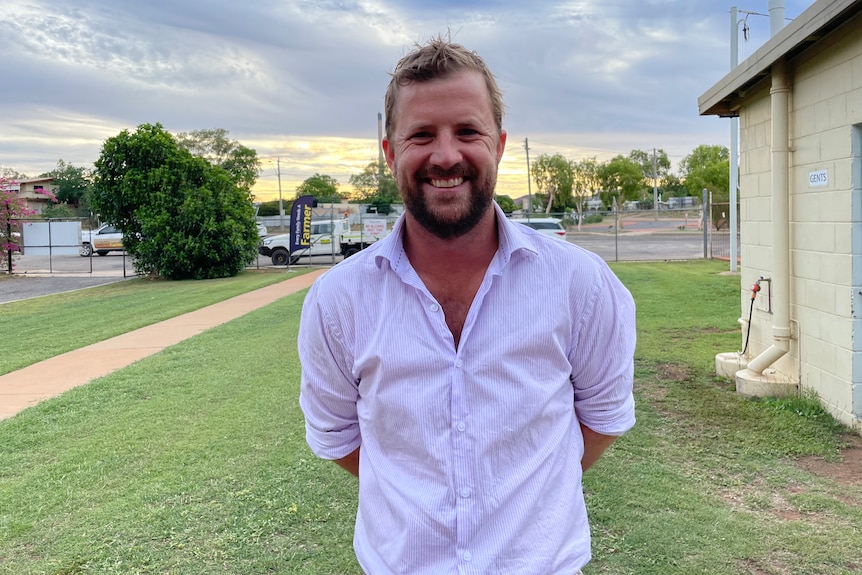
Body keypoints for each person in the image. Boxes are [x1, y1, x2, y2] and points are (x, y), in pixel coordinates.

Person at [298, 37, 636, 575]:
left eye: (468, 131)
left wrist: (522, 500)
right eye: (422, 135)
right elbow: (338, 436)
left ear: (499, 144)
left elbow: (601, 418)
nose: (447, 155)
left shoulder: (581, 284)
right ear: (390, 153)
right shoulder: (337, 301)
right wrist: (423, 495)